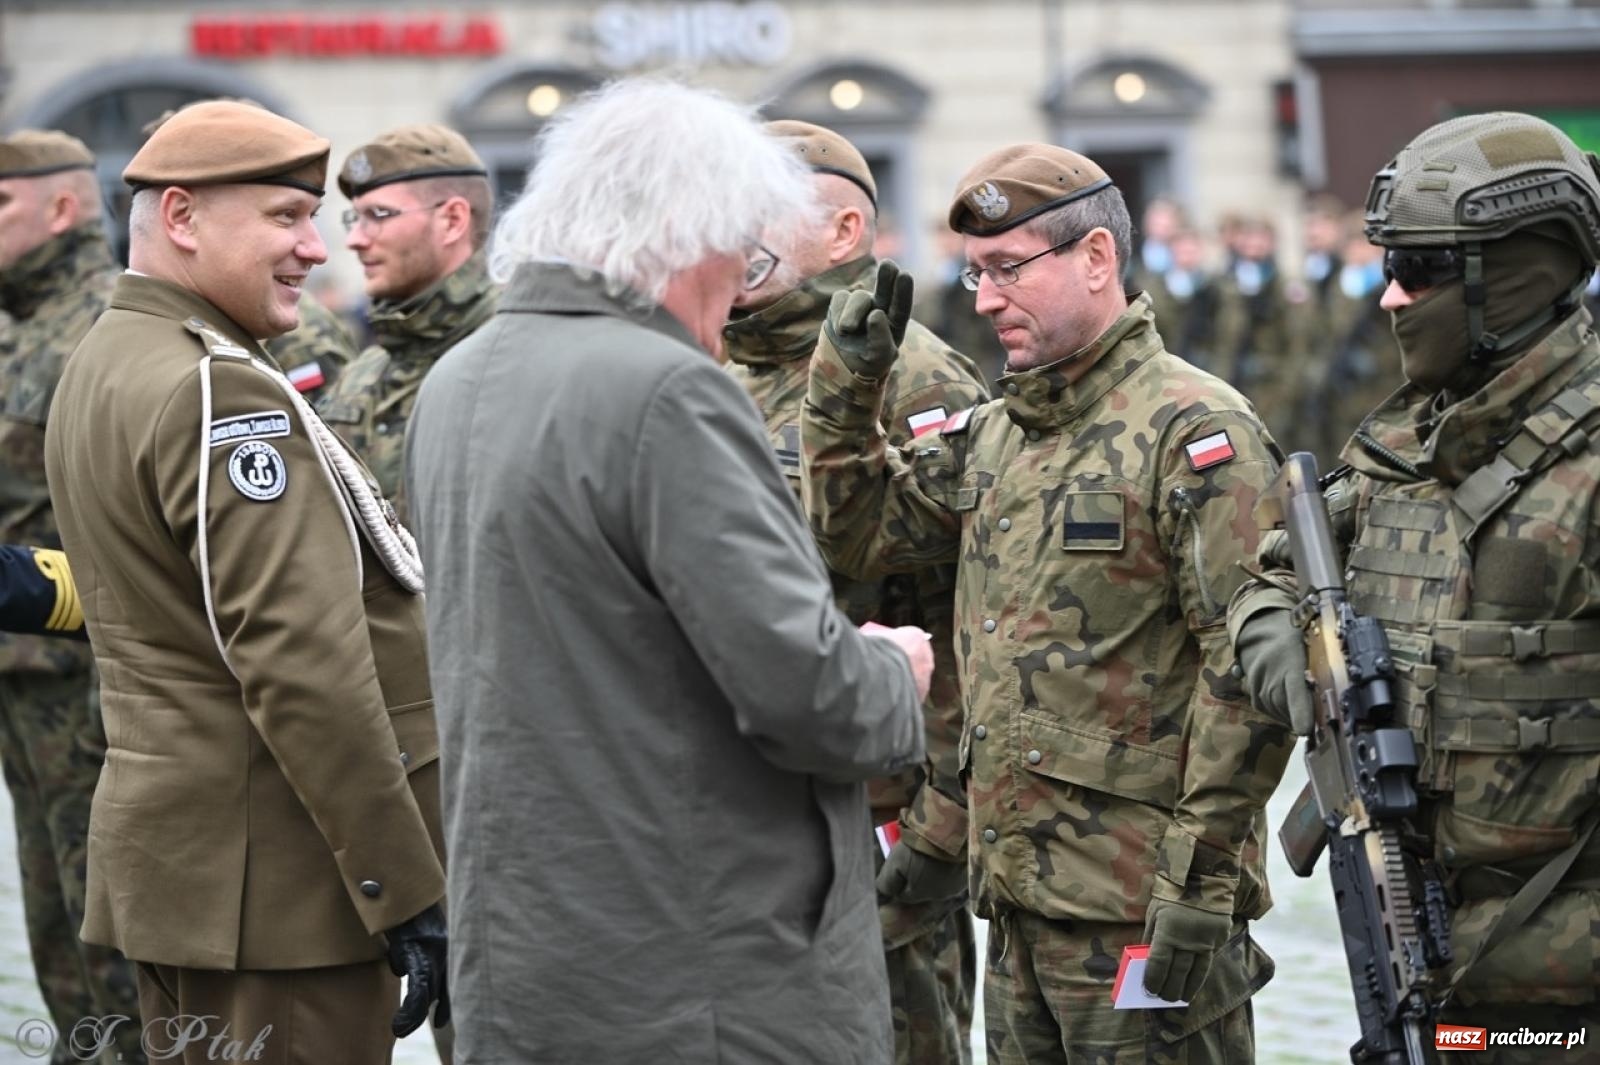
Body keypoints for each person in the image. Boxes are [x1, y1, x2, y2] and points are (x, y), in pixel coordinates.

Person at [405, 78, 933, 1065]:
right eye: (741, 253)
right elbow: (806, 695)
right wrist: (894, 672)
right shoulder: (666, 393)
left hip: (531, 957)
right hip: (700, 976)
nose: (739, 293)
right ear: (689, 235)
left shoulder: (459, 378)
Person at [802, 142, 1296, 1064]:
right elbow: (857, 535)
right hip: (1020, 900)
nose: (985, 298)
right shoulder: (997, 434)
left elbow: (1249, 681)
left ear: (1097, 259)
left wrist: (1197, 887)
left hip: (1140, 911)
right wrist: (846, 385)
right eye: (975, 272)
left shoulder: (1194, 430)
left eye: (1008, 269)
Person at [43, 99, 449, 1064]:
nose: (317, 249)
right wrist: (401, 884)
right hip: (284, 889)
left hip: (195, 872)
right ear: (181, 218)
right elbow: (300, 659)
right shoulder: (221, 387)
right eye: (285, 217)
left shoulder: (108, 355)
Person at [1229, 111, 1600, 1060]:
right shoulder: (1401, 443)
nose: (1391, 298)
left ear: (1512, 277)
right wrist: (1311, 678)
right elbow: (1265, 582)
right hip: (1423, 958)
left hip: (1560, 992)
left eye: (1421, 270)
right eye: (1389, 266)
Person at [725, 119, 989, 1065]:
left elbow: (970, 613)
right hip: (743, 801)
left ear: (843, 234)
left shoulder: (913, 373)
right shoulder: (705, 363)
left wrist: (939, 823)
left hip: (877, 805)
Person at [0, 129, 146, 1064]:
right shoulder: (29, 322)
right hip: (27, 681)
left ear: (63, 207)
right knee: (55, 927)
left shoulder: (101, 320)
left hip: (89, 689)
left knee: (114, 939)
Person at [316, 124, 498, 526]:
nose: (356, 240)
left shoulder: (515, 353)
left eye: (378, 215)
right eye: (355, 219)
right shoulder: (364, 371)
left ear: (452, 220)